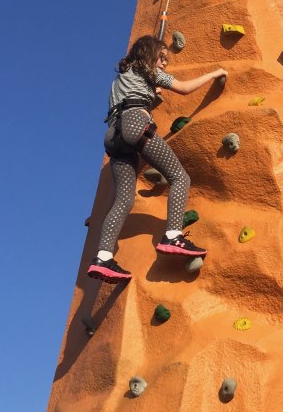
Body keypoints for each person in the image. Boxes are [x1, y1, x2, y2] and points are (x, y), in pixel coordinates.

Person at [87, 35, 227, 283]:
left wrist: (153, 95)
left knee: (123, 199)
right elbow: (184, 89)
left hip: (113, 136)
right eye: (162, 57)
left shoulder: (123, 77)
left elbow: (133, 98)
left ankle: (103, 258)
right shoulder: (149, 70)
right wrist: (215, 73)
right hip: (136, 125)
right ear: (149, 54)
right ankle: (173, 235)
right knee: (180, 177)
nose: (164, 64)